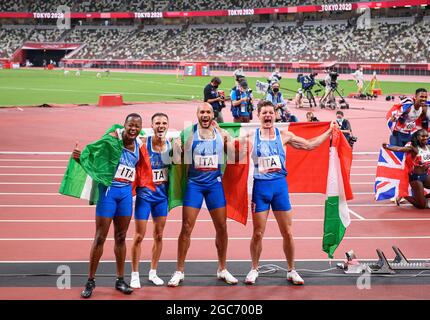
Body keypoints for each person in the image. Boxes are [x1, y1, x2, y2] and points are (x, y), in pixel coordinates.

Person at [243, 100, 335, 285]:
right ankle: (254, 268)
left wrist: (329, 132)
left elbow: (309, 145)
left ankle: (292, 270)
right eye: (264, 113)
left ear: (275, 115)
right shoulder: (251, 138)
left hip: (279, 189)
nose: (268, 115)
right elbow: (230, 150)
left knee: (287, 232)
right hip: (260, 188)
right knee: (258, 233)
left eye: (270, 112)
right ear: (258, 116)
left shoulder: (284, 136)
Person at [168, 103, 238, 287]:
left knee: (222, 227)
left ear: (212, 114)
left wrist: (228, 141)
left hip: (214, 184)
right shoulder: (187, 132)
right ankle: (179, 271)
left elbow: (233, 158)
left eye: (208, 112)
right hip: (194, 184)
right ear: (197, 114)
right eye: (202, 112)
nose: (205, 115)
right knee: (186, 227)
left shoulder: (220, 133)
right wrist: (177, 148)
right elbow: (175, 160)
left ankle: (222, 269)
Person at [76, 114, 144, 298]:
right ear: (124, 125)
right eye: (130, 125)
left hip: (125, 195)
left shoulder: (139, 144)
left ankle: (120, 280)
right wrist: (81, 158)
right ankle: (90, 281)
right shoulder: (112, 140)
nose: (133, 129)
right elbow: (95, 154)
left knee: (121, 237)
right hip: (108, 194)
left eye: (137, 126)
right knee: (100, 237)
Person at [130, 113, 172, 288]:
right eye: (157, 123)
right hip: (144, 197)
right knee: (139, 236)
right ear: (152, 125)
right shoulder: (142, 143)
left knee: (159, 235)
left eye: (164, 123)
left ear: (168, 125)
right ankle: (134, 273)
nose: (161, 126)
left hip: (161, 198)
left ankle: (153, 272)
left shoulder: (171, 146)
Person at [382, 129, 430, 209]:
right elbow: (399, 149)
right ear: (418, 137)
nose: (425, 138)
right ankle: (403, 195)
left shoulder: (428, 147)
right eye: (423, 136)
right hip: (416, 178)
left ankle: (423, 196)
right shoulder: (414, 148)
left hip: (426, 175)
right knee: (421, 205)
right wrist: (387, 147)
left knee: (423, 200)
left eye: (426, 136)